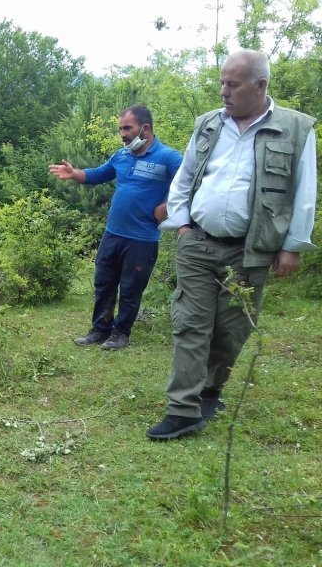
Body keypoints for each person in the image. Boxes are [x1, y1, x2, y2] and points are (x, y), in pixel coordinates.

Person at [146, 49, 317, 441]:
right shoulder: (208, 124)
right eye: (222, 82)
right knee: (191, 324)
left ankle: (211, 390)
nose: (223, 91)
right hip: (198, 243)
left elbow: (304, 192)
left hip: (251, 250)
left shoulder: (296, 128)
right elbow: (186, 177)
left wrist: (291, 246)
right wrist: (183, 224)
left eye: (232, 84)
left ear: (260, 85)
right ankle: (182, 409)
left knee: (231, 329)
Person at [49, 105, 182, 350]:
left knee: (131, 288)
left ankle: (121, 333)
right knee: (104, 283)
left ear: (145, 128)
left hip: (142, 239)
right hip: (113, 233)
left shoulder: (168, 158)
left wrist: (167, 208)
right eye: (120, 128)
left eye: (127, 128)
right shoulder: (121, 155)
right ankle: (99, 330)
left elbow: (190, 184)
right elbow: (99, 175)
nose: (122, 134)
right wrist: (74, 173)